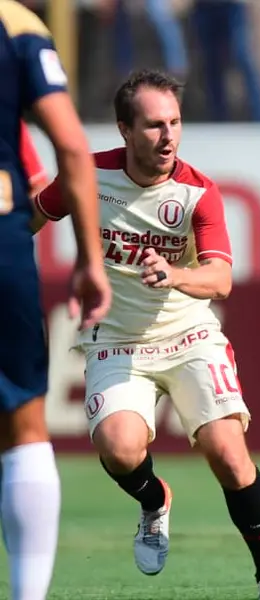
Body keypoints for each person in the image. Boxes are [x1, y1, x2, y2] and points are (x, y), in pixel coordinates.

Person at [31, 69, 260, 600]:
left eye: (175, 122)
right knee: (119, 449)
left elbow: (220, 279)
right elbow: (31, 219)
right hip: (117, 340)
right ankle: (154, 501)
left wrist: (176, 274)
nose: (168, 136)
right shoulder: (87, 175)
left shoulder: (198, 192)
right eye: (154, 125)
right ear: (124, 130)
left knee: (227, 452)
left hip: (189, 335)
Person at [0, 2, 110, 598]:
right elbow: (70, 147)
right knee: (23, 425)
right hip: (0, 236)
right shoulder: (15, 25)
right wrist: (89, 260)